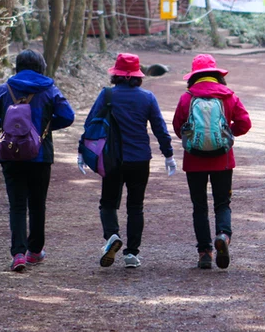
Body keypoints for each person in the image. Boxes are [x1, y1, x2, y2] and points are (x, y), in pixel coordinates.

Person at [80, 52, 175, 269]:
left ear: (116, 74)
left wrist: (81, 150)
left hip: (112, 159)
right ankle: (131, 253)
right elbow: (160, 129)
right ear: (137, 75)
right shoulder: (148, 97)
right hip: (140, 159)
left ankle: (112, 236)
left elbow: (91, 124)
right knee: (135, 206)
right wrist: (168, 154)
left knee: (108, 203)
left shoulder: (107, 95)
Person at [0, 49, 75, 272]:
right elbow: (68, 116)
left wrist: (8, 128)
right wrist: (45, 127)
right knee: (36, 204)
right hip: (40, 154)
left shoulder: (5, 89)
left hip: (10, 153)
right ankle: (35, 251)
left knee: (16, 205)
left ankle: (18, 254)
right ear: (41, 66)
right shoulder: (49, 89)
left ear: (17, 67)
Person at [172, 54, 252, 270]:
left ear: (194, 76)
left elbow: (178, 127)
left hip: (194, 160)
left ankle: (205, 253)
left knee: (199, 207)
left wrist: (195, 140)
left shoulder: (187, 98)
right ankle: (223, 236)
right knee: (222, 203)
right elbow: (245, 123)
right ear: (217, 74)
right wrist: (227, 134)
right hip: (223, 160)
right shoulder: (228, 96)